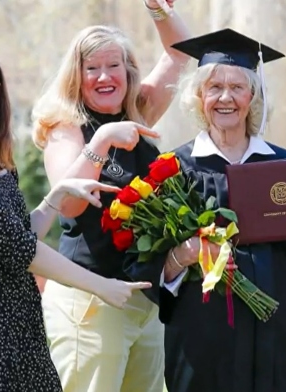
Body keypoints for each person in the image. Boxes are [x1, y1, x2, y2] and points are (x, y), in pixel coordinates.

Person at [0, 42, 151, 392]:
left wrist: (55, 199)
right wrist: (101, 286)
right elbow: (20, 250)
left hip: (16, 316)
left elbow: (21, 234)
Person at [125, 28, 286, 392]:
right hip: (205, 346)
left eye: (237, 87)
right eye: (214, 88)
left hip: (284, 341)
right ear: (199, 96)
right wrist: (184, 254)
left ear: (253, 96)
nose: (226, 98)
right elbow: (148, 273)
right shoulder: (173, 171)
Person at [31, 2, 191, 391]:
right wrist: (101, 139)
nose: (104, 76)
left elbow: (180, 53)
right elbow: (68, 203)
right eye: (92, 68)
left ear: (127, 71)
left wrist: (160, 10)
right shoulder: (66, 128)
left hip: (144, 300)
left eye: (113, 65)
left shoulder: (138, 112)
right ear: (77, 76)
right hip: (90, 299)